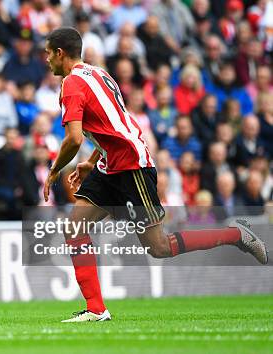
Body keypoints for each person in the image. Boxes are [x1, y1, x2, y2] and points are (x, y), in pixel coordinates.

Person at [42, 27, 268, 323]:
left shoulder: (71, 84)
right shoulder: (100, 74)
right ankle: (96, 309)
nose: (46, 60)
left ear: (60, 53)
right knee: (74, 228)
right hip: (112, 163)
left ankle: (237, 235)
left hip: (132, 166)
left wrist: (55, 170)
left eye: (48, 53)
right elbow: (114, 124)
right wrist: (94, 159)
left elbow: (73, 139)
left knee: (158, 247)